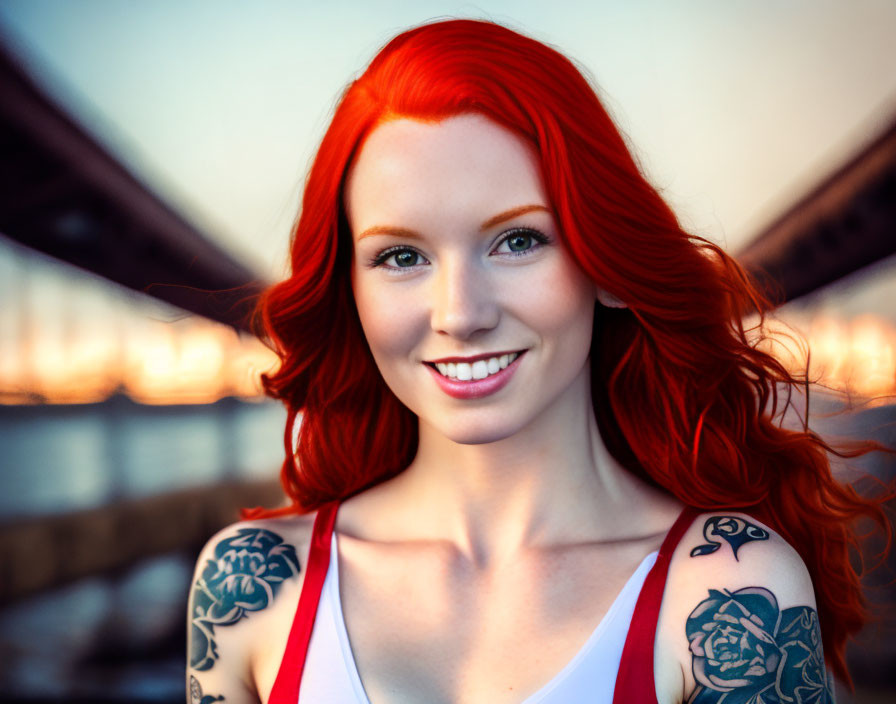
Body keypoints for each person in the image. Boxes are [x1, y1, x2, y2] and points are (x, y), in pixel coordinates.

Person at [186, 19, 889, 704]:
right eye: (401, 256)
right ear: (351, 293)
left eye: (518, 241)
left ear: (608, 265)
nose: (460, 314)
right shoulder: (250, 588)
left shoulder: (728, 591)